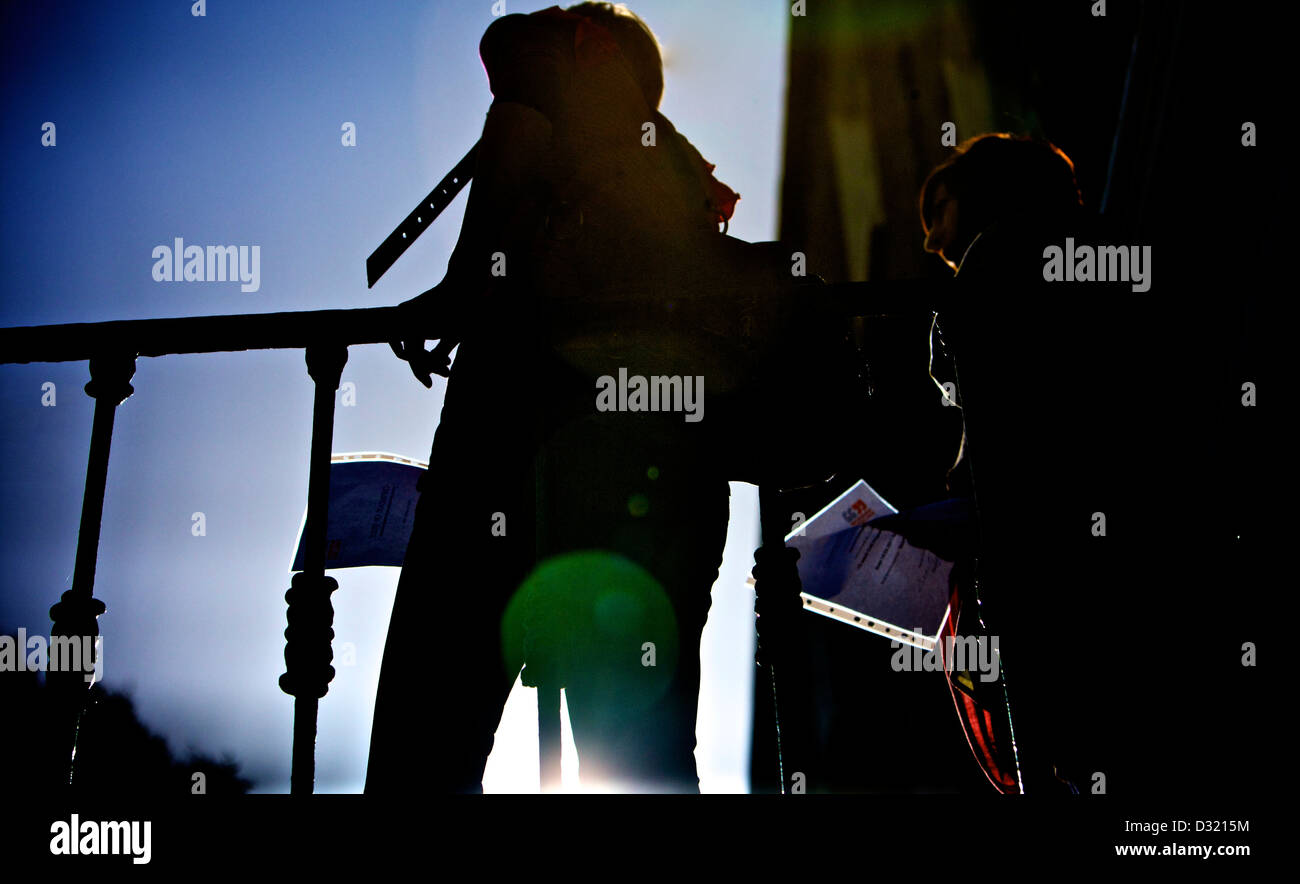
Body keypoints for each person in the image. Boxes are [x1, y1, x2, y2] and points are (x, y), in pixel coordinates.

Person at [370, 3, 745, 794]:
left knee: (427, 736)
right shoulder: (674, 170)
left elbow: (519, 125)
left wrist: (457, 288)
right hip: (659, 474)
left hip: (512, 437)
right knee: (641, 757)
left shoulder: (540, 45)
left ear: (588, 42)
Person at [917, 133, 1094, 793]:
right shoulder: (1085, 250)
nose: (933, 242)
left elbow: (1001, 431)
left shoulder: (1002, 261)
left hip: (1050, 554)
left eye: (939, 211)